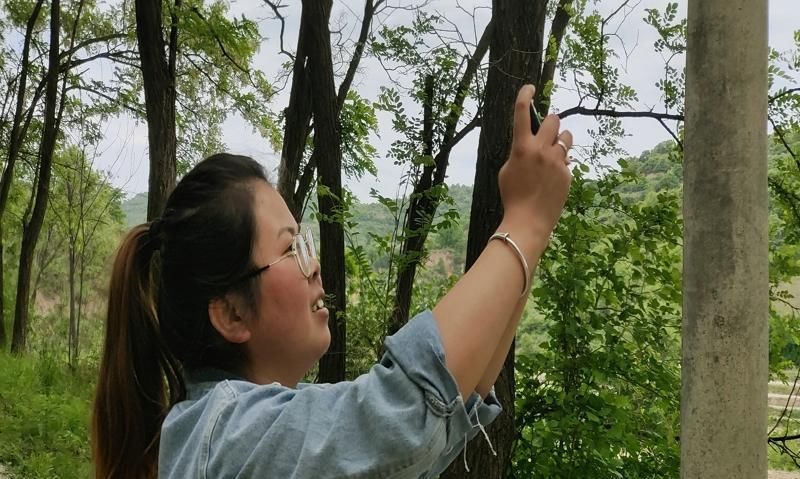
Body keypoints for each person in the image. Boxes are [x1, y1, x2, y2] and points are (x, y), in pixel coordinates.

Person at [91, 84, 573, 478]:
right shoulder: (225, 434)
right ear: (232, 313)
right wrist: (525, 222)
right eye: (290, 248)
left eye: (305, 242)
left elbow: (450, 409)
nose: (314, 263)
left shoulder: (245, 425)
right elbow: (399, 419)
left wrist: (532, 229)